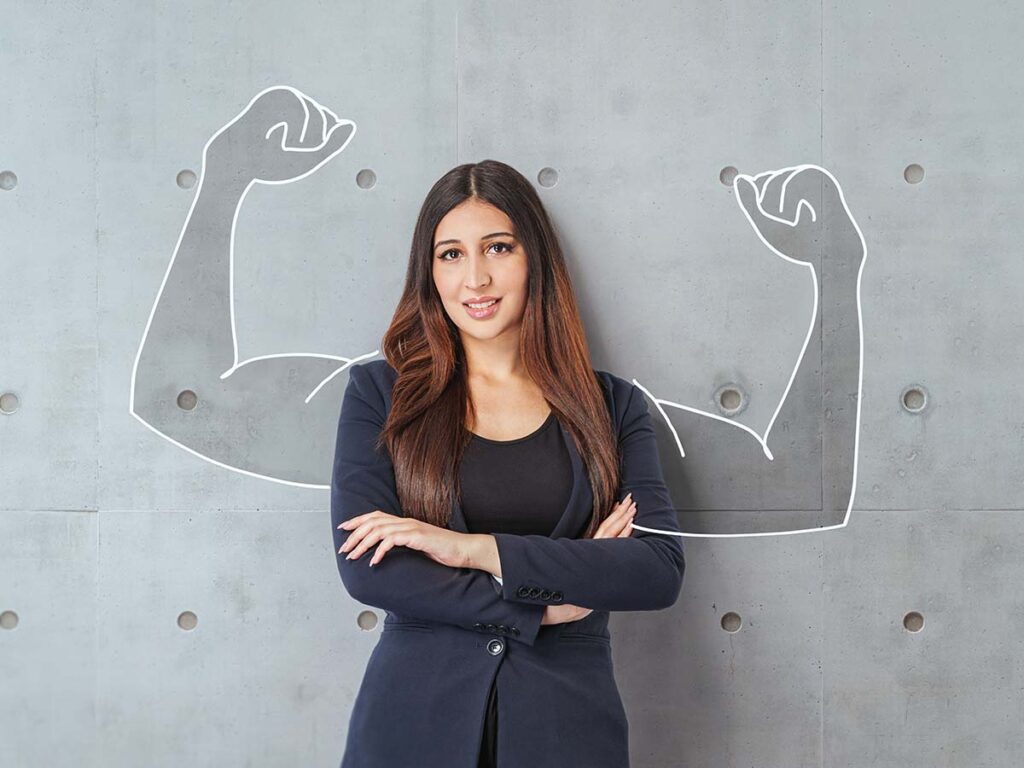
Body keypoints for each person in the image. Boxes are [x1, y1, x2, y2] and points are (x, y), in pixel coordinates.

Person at [331, 159, 686, 768]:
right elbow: (371, 570)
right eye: (450, 254)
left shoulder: (613, 407)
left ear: (534, 260)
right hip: (413, 722)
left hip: (567, 727)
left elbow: (655, 569)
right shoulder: (379, 395)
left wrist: (470, 549)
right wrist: (546, 605)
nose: (475, 278)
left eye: (497, 247)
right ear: (429, 272)